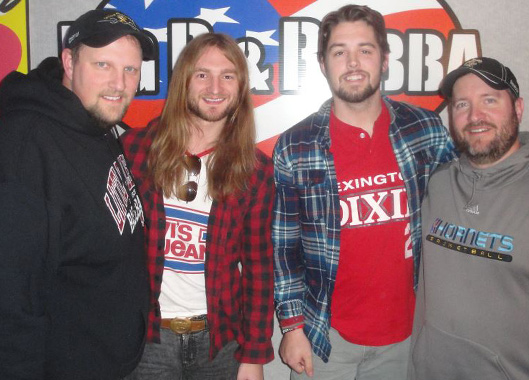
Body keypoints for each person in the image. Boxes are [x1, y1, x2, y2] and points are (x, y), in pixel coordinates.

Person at [272, 4, 456, 379]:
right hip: (327, 338)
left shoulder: (424, 129)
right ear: (323, 65)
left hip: (407, 336)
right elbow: (284, 248)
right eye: (339, 52)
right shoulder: (297, 146)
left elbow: (470, 193)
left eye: (365, 50)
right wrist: (291, 328)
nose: (353, 63)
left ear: (385, 60)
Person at [0, 8, 155, 380]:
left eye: (130, 70)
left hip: (110, 359)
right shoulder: (27, 144)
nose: (119, 83)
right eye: (103, 65)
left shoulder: (95, 122)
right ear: (69, 61)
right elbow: (11, 297)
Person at [121, 32, 274, 380]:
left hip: (219, 343)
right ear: (183, 81)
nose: (214, 86)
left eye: (228, 75)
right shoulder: (134, 149)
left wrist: (253, 355)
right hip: (145, 340)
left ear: (241, 86)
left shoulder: (257, 172)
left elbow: (259, 267)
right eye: (202, 74)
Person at [410, 57, 529, 380]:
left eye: (489, 100)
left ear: (519, 108)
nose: (475, 116)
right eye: (462, 105)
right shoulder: (438, 183)